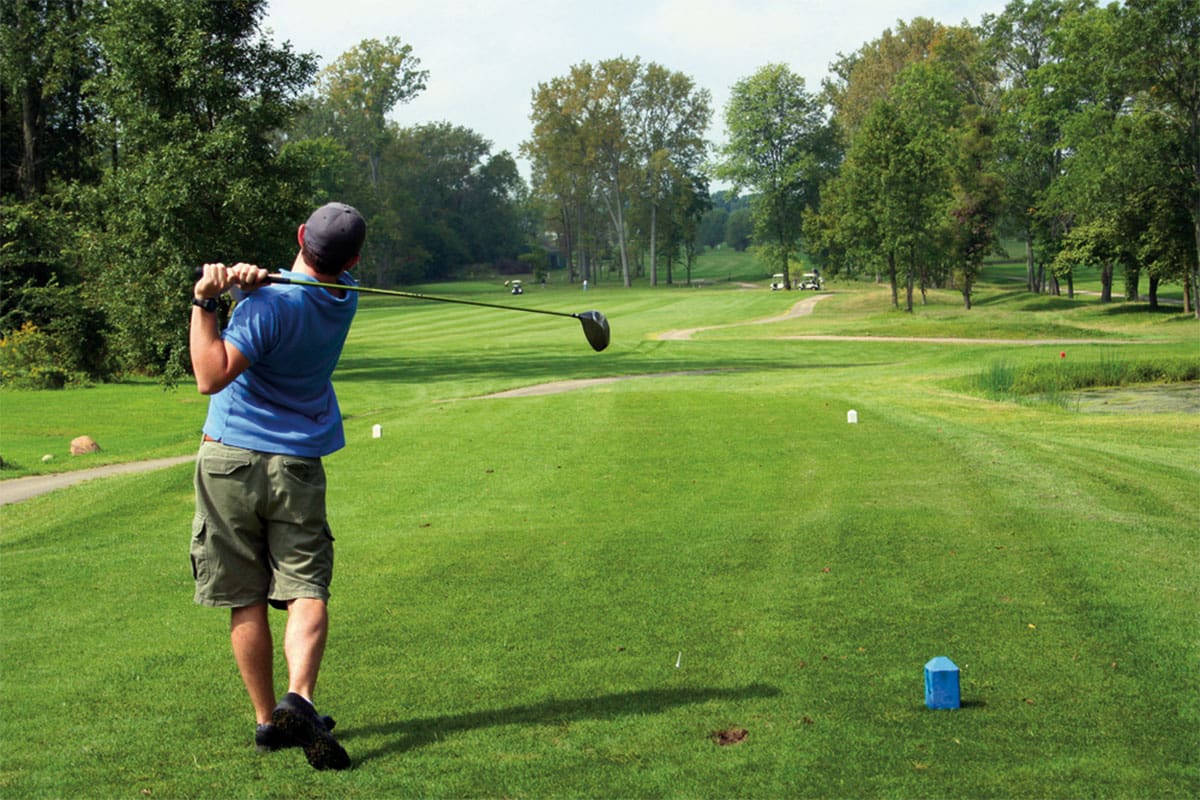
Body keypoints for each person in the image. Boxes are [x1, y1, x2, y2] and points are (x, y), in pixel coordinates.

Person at [188, 202, 365, 771]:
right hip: (298, 462)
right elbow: (304, 289)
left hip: (231, 459)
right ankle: (302, 698)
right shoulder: (347, 296)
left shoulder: (267, 304)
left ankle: (269, 720)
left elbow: (210, 375)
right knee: (304, 588)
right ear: (353, 259)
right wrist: (251, 288)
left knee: (244, 595)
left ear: (299, 236)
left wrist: (207, 300)